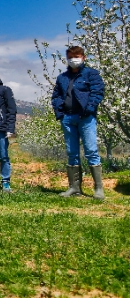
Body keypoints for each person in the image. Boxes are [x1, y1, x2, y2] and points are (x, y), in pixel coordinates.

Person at [51, 45, 106, 200]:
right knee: (72, 153)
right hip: (67, 118)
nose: (73, 60)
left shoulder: (91, 74)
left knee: (91, 151)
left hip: (85, 118)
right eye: (70, 57)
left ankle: (98, 188)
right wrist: (59, 113)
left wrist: (89, 109)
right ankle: (74, 187)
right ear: (67, 59)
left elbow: (97, 91)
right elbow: (56, 96)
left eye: (77, 56)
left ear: (83, 57)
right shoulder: (62, 78)